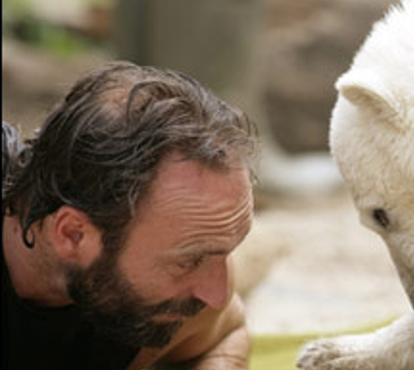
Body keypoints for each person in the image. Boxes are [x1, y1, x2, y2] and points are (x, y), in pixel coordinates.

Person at [2, 61, 257, 369]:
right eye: (190, 260)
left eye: (225, 250)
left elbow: (226, 333)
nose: (217, 294)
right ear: (72, 234)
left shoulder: (174, 292)